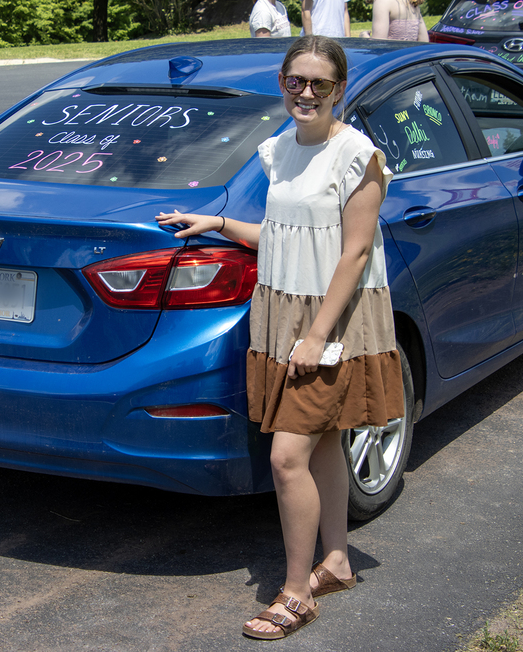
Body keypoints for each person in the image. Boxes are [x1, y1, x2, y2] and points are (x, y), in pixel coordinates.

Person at [156, 35, 403, 640]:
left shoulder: (358, 157)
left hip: (332, 320)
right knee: (321, 446)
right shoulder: (278, 152)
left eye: (320, 83)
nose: (307, 93)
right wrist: (217, 222)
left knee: (286, 457)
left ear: (340, 89)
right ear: (283, 83)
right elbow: (284, 232)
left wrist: (318, 335)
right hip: (283, 313)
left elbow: (354, 253)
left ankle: (296, 592)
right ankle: (338, 561)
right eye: (297, 81)